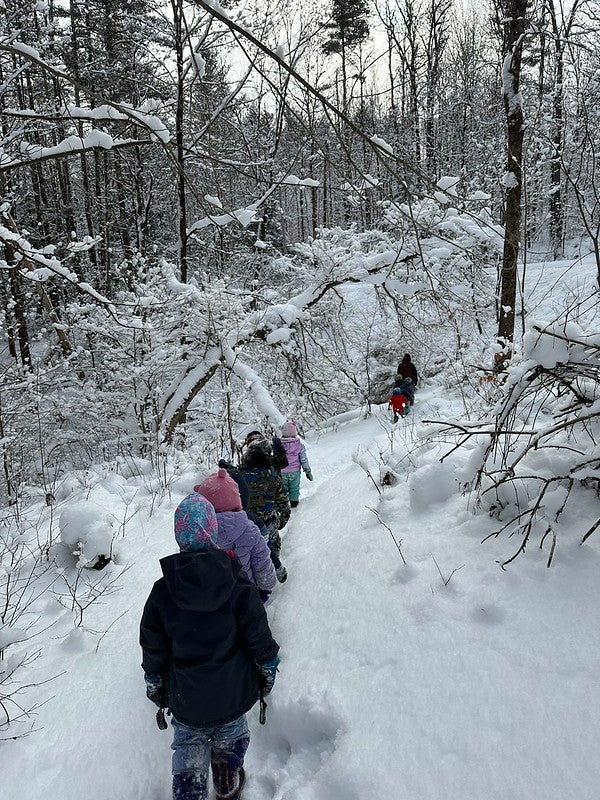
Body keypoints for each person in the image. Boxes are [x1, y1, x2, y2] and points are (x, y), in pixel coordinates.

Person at [140, 492, 280, 800]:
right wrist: (268, 667)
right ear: (212, 531)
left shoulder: (163, 592)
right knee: (231, 743)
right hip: (232, 696)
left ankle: (189, 791)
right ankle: (226, 782)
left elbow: (153, 647)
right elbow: (258, 634)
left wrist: (154, 682)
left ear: (179, 536)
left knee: (188, 750)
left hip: (186, 700)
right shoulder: (238, 582)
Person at [194, 468, 276, 602]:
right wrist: (266, 586)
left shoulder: (199, 534)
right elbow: (262, 562)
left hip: (214, 601)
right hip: (246, 595)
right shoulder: (250, 530)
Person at [240, 439, 291, 583]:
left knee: (247, 551)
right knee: (272, 546)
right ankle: (269, 574)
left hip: (245, 523)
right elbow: (283, 503)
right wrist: (282, 520)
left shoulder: (240, 475)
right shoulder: (272, 475)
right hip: (269, 522)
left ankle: (250, 577)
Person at [279, 421, 313, 508]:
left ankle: (284, 503)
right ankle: (294, 502)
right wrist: (307, 471)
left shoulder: (279, 445)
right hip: (295, 472)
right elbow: (303, 459)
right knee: (294, 487)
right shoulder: (299, 445)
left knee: (284, 488)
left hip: (282, 471)